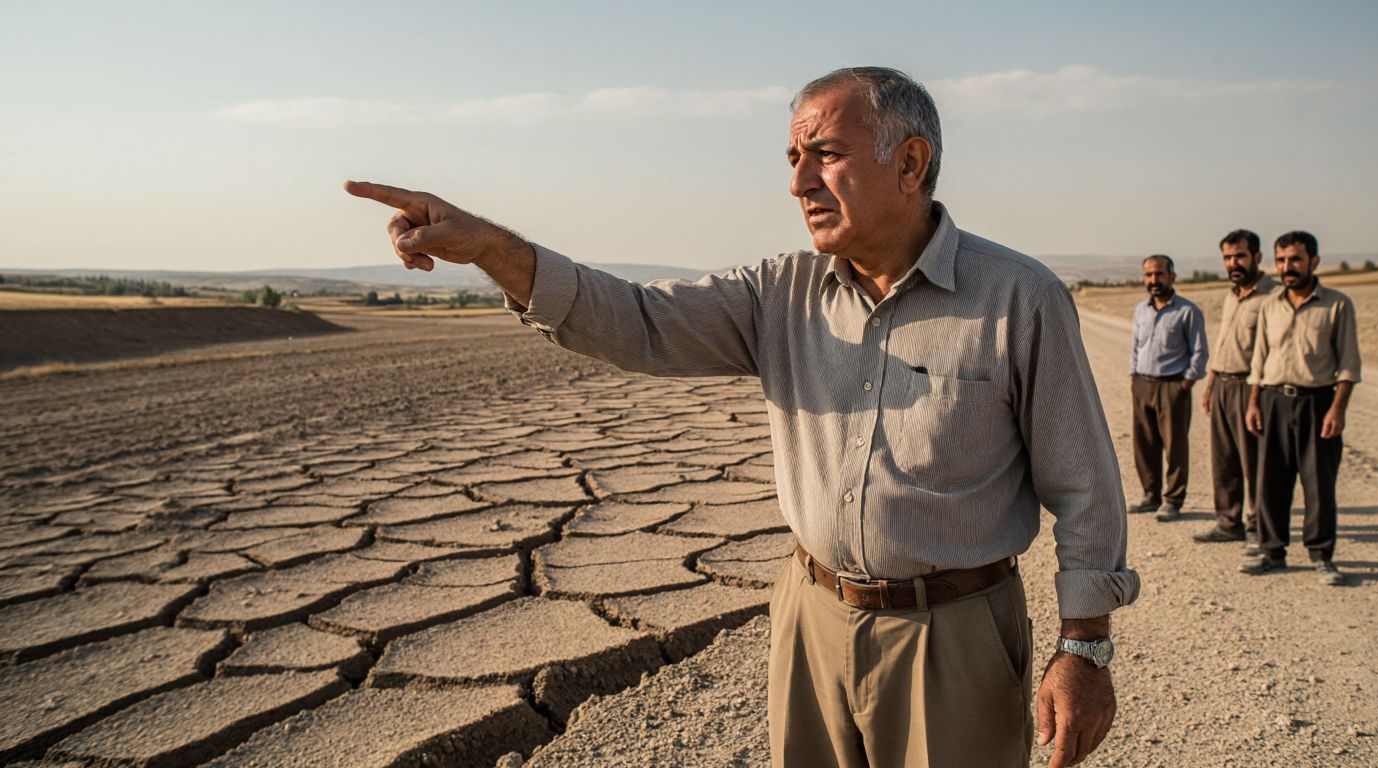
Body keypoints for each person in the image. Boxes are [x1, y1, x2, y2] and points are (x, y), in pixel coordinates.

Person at [345, 66, 1139, 768]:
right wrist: (491, 249)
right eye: (793, 160)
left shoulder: (1018, 297)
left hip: (953, 637)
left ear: (911, 162)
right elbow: (633, 319)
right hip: (812, 617)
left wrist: (1084, 649)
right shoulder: (775, 293)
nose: (799, 182)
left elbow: (1084, 488)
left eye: (824, 154)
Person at [1242, 231, 1360, 587]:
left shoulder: (1337, 304)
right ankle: (1272, 551)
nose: (1287, 267)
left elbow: (1349, 366)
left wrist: (1336, 410)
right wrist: (1253, 403)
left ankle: (1321, 556)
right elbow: (1259, 361)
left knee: (1318, 484)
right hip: (1273, 401)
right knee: (1270, 482)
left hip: (1317, 402)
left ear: (1314, 262)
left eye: (1294, 259)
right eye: (1281, 261)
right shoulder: (1270, 305)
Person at [1195, 230, 1279, 550]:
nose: (1233, 263)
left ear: (1256, 257)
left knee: (1254, 462)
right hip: (1223, 386)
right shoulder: (1233, 294)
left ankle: (1258, 527)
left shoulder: (1273, 296)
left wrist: (1257, 397)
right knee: (1223, 459)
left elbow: (1270, 351)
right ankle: (1229, 523)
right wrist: (1211, 384)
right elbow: (1223, 343)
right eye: (1228, 258)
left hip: (1251, 387)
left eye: (1240, 256)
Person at [1127, 254, 1208, 522]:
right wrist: (1133, 378)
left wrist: (1185, 384)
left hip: (1173, 386)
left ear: (1172, 276)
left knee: (1175, 446)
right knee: (1144, 444)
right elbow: (1135, 347)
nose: (1154, 280)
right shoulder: (1141, 310)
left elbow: (1199, 352)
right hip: (1143, 384)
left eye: (1159, 274)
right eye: (1149, 275)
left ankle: (1172, 500)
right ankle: (1151, 496)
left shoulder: (1187, 311)